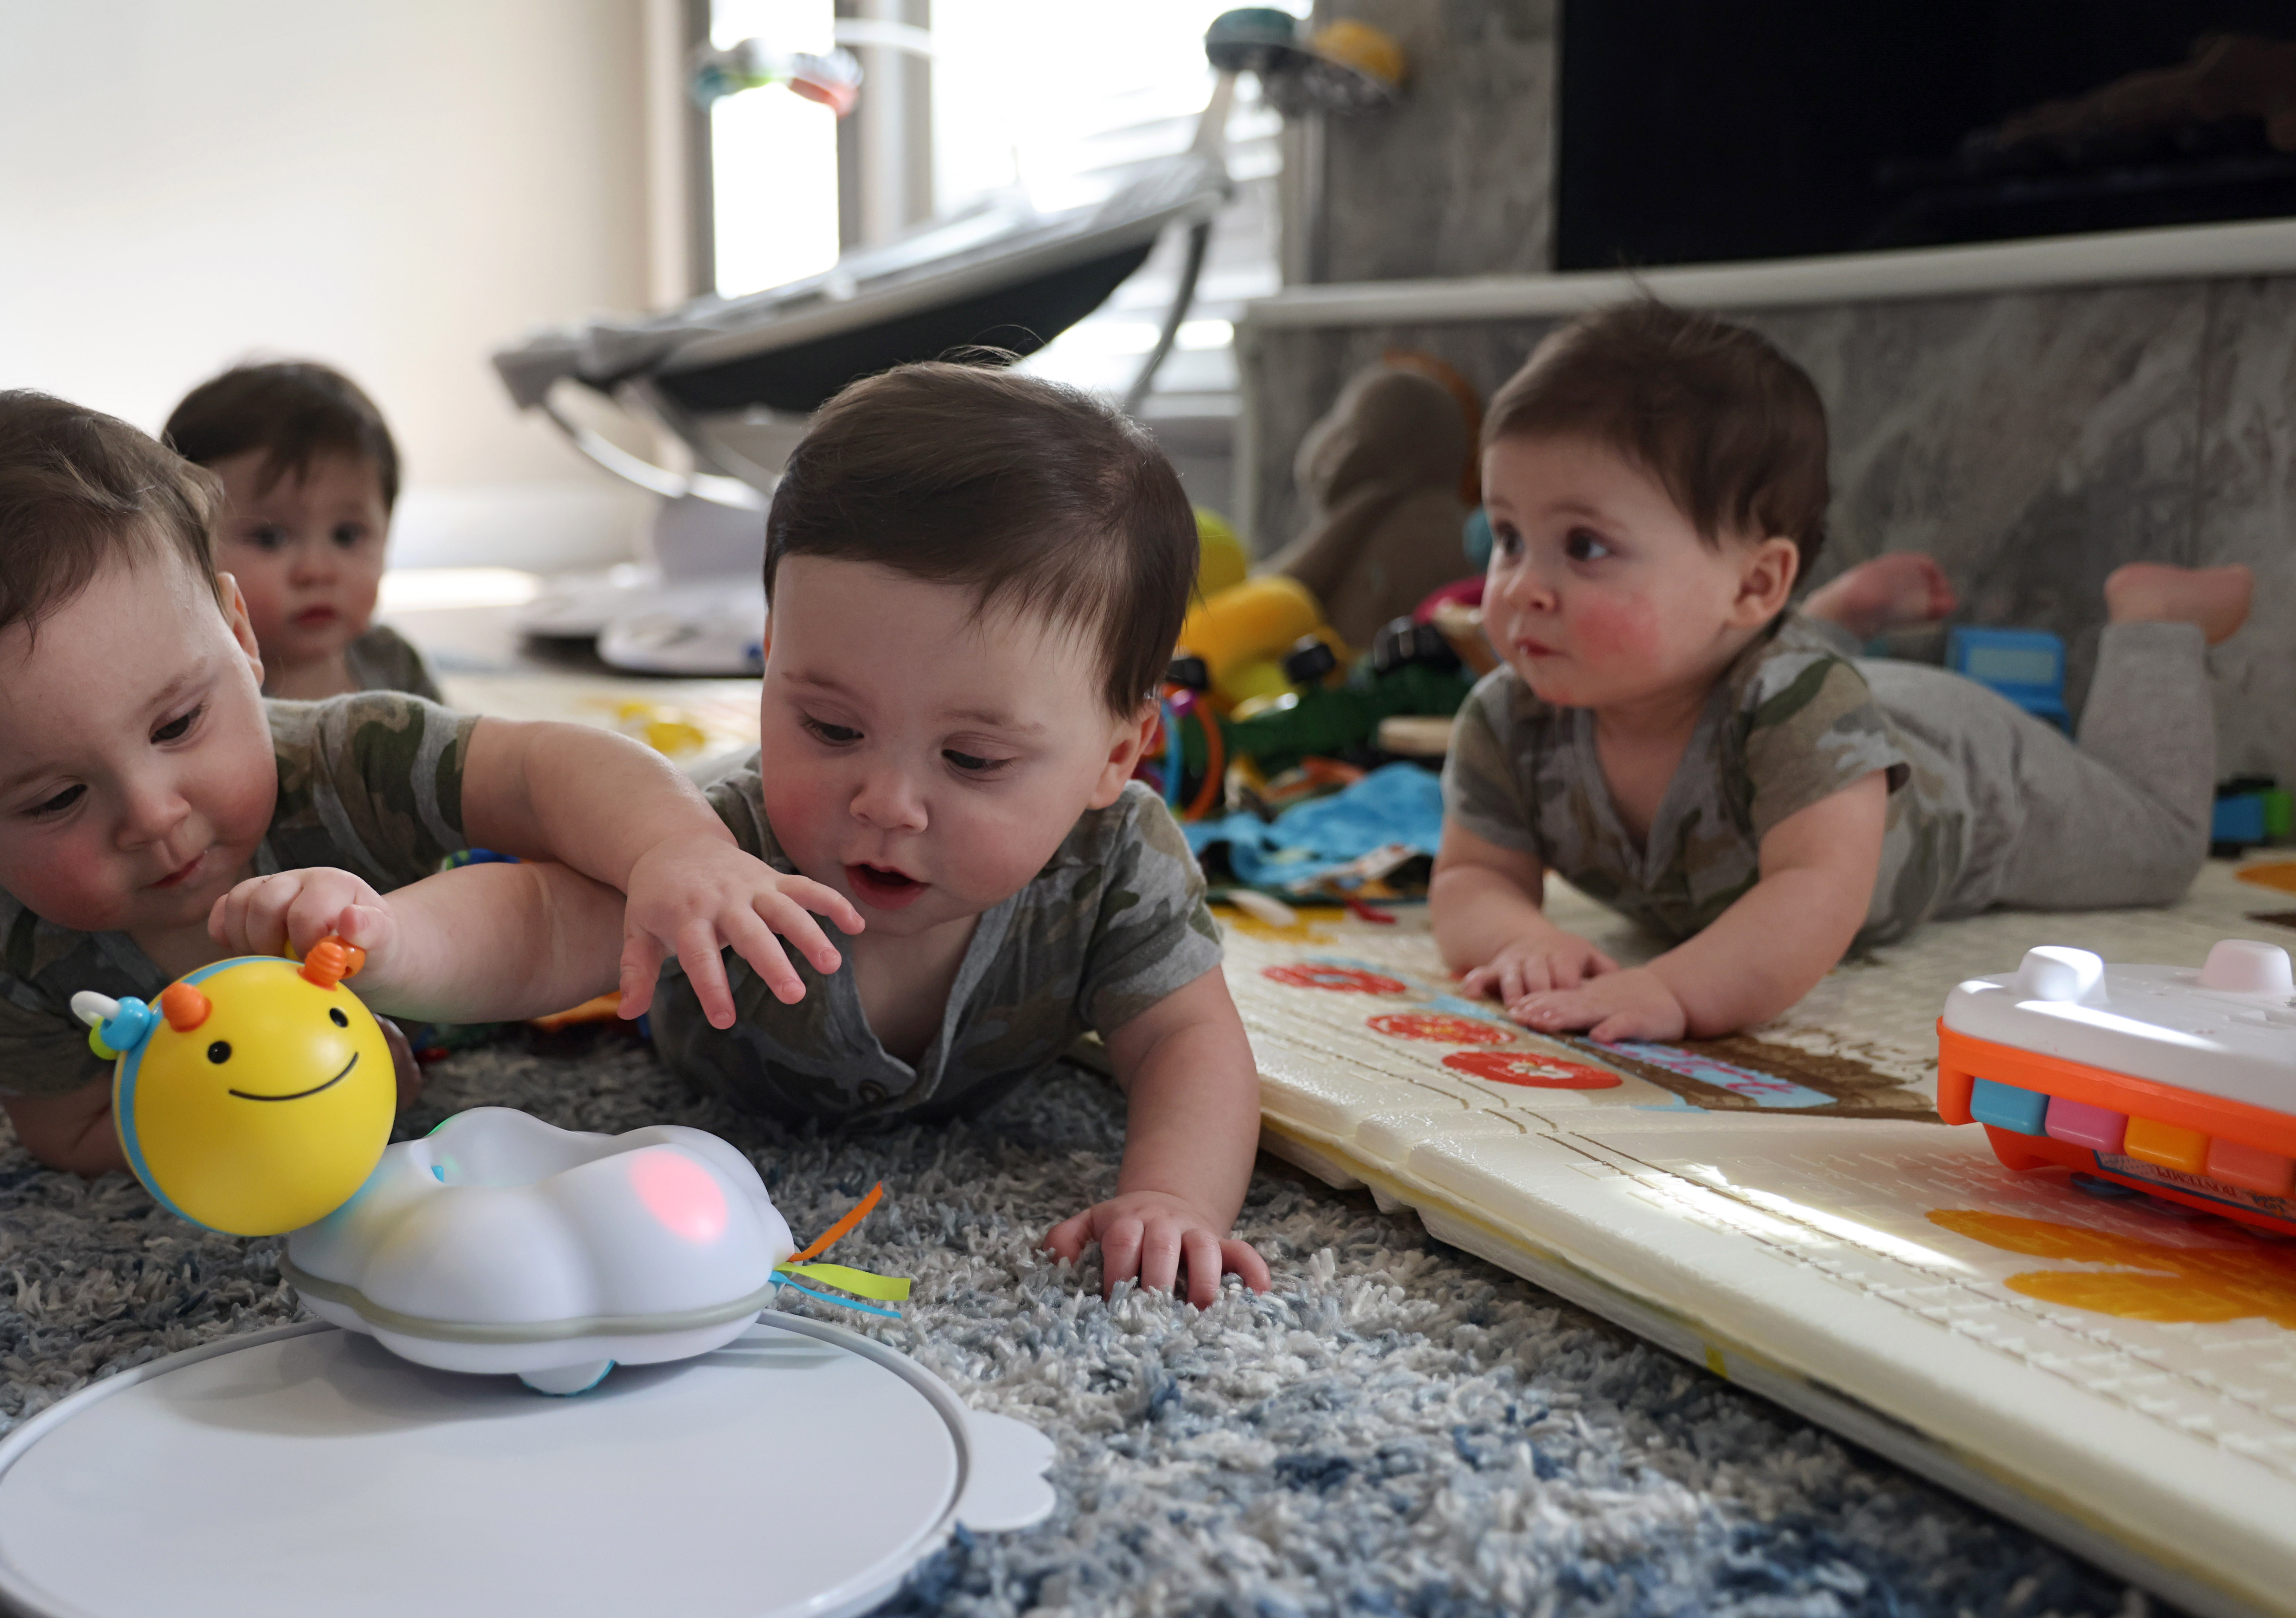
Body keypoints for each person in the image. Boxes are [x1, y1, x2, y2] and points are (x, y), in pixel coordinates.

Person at [213, 361, 1273, 1307]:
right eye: (830, 726)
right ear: (768, 662)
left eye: (974, 760)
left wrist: (1175, 1197)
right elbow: (541, 923)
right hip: (709, 1063)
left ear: (1116, 757)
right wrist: (383, 937)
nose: (888, 802)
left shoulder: (1117, 864)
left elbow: (1188, 1040)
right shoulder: (721, 845)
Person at [0, 390, 861, 1175]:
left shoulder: (345, 757)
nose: (155, 816)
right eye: (56, 798)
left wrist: (676, 850)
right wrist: (249, 1108)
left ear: (240, 637)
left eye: (179, 723)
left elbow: (542, 768)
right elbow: (66, 1130)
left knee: (684, 795)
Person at [1432, 298, 2254, 1043]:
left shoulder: (1805, 709)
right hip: (1798, 691)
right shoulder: (1509, 718)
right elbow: (1472, 875)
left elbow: (1814, 890)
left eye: (1583, 546)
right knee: (1773, 677)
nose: (1521, 588)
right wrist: (1522, 937)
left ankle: (2155, 623)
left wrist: (1673, 991)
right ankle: (1835, 618)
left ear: (1755, 583)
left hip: (1964, 765)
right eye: (1507, 536)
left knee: (2159, 842)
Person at [0, 358, 446, 1023]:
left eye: (180, 724)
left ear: (237, 634)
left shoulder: (386, 677)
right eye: (270, 535)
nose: (316, 568)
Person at [162, 360, 437, 701]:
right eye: (270, 538)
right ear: (184, 547)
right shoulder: (203, 694)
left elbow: (455, 752)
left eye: (346, 535)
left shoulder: (391, 662)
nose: (317, 572)